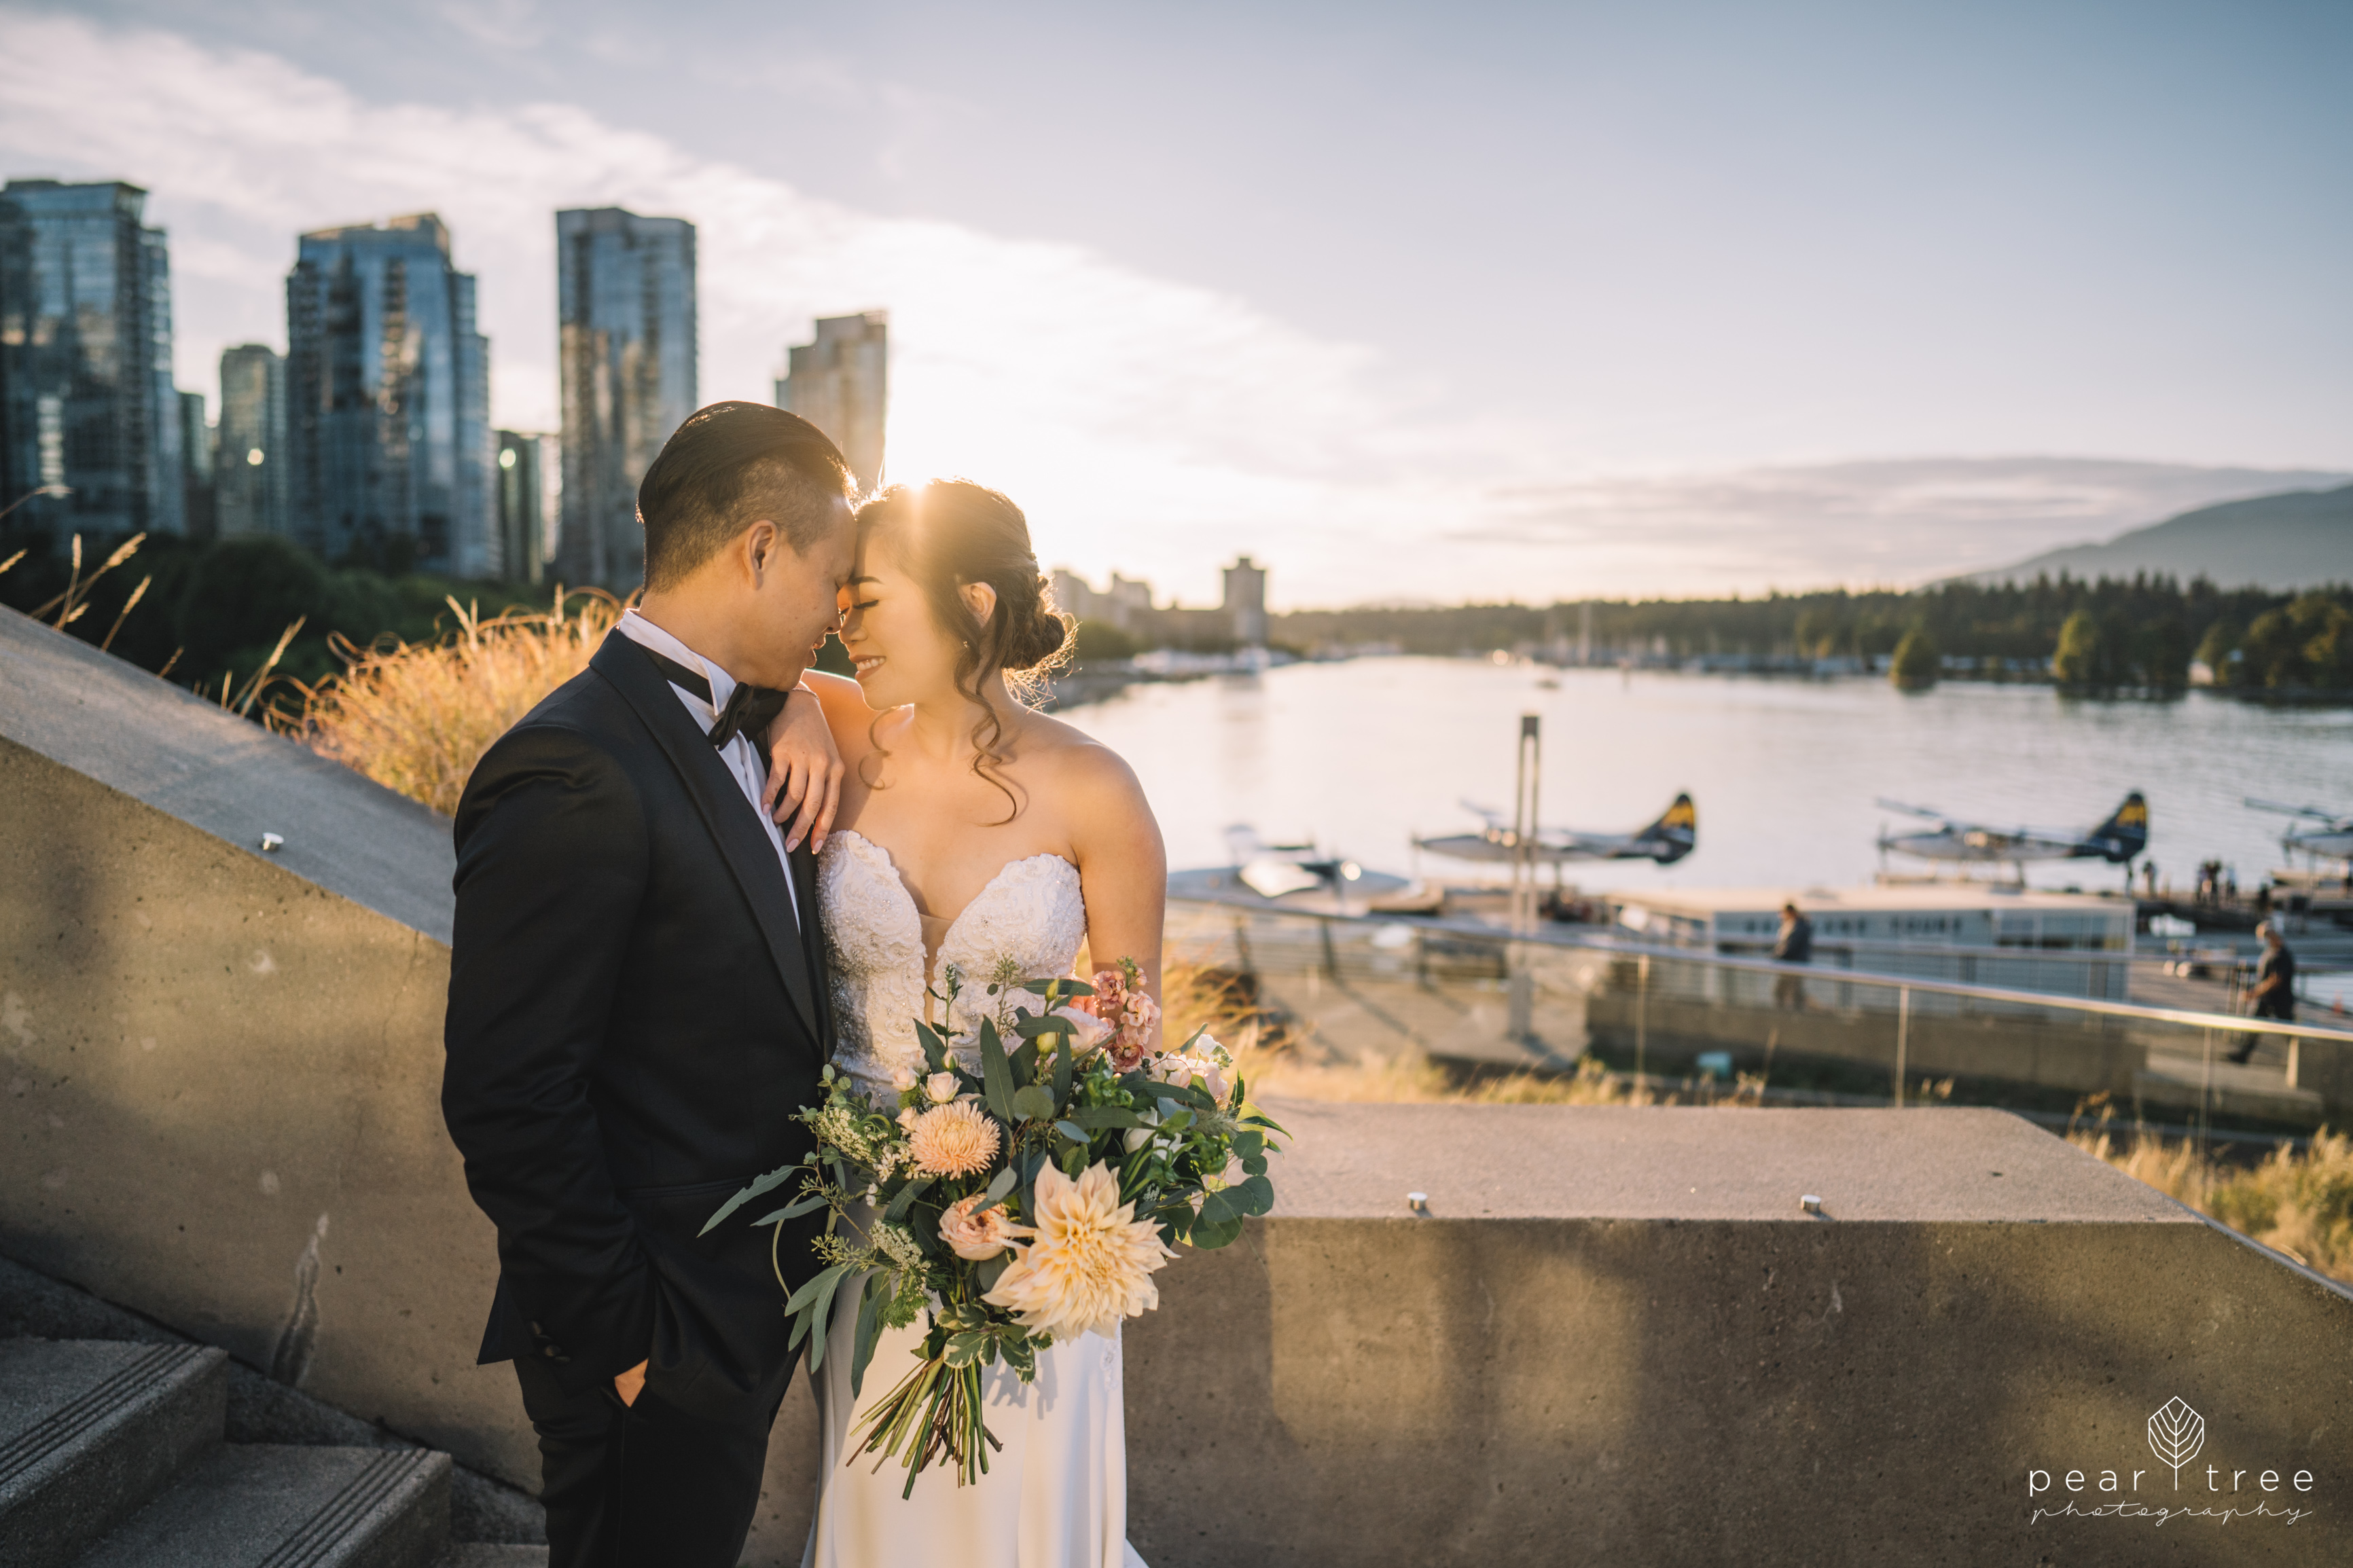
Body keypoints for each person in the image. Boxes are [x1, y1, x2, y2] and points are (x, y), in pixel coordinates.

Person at [440, 403, 860, 1568]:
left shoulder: (747, 713)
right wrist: (633, 1344)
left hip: (732, 1320)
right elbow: (508, 1091)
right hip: (650, 1341)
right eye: (831, 579)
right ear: (760, 549)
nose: (837, 615)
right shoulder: (572, 762)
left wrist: (802, 698)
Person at [785, 479, 1165, 1568]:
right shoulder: (845, 742)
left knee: (1022, 1499)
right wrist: (802, 701)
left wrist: (1031, 1181)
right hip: (857, 1214)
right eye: (840, 603)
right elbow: (740, 666)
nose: (840, 622)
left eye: (866, 599)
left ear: (972, 601)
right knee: (878, 1491)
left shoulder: (1098, 787)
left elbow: (1131, 1031)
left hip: (1034, 1223)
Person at [2228, 921, 2296, 1064]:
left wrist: (2254, 993)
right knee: (2255, 1027)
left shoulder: (2282, 955)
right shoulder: (2271, 952)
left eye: (2262, 936)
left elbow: (2275, 980)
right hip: (2267, 1000)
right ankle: (2243, 1055)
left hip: (2279, 1001)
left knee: (2290, 1033)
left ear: (2271, 935)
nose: (2261, 940)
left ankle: (2300, 1059)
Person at [1772, 900, 1812, 1011]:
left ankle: (1789, 1015)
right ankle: (1794, 1015)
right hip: (1794, 964)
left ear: (1790, 912)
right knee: (1793, 991)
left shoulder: (1797, 926)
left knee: (1787, 991)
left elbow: (1791, 947)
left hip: (1793, 965)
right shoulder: (1798, 924)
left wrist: (1777, 956)